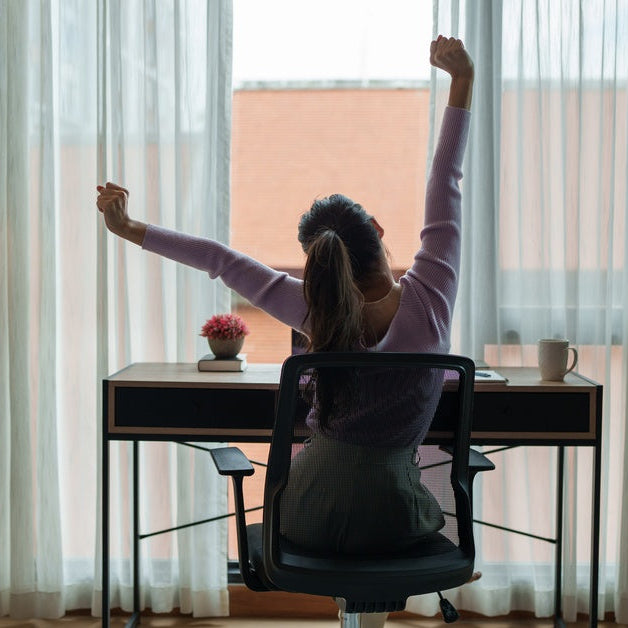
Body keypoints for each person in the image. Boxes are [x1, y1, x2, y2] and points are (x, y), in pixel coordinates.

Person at [97, 35, 475, 627]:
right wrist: (461, 82)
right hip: (397, 526)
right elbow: (445, 185)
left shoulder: (315, 312)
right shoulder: (432, 296)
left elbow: (219, 258)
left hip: (305, 520)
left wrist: (129, 227)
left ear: (321, 264)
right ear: (376, 229)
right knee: (402, 506)